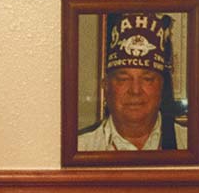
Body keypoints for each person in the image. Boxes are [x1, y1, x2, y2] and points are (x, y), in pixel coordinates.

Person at [78, 12, 187, 151]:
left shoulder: (194, 146)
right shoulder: (80, 148)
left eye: (147, 79)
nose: (135, 90)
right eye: (123, 79)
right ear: (106, 86)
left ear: (161, 86)